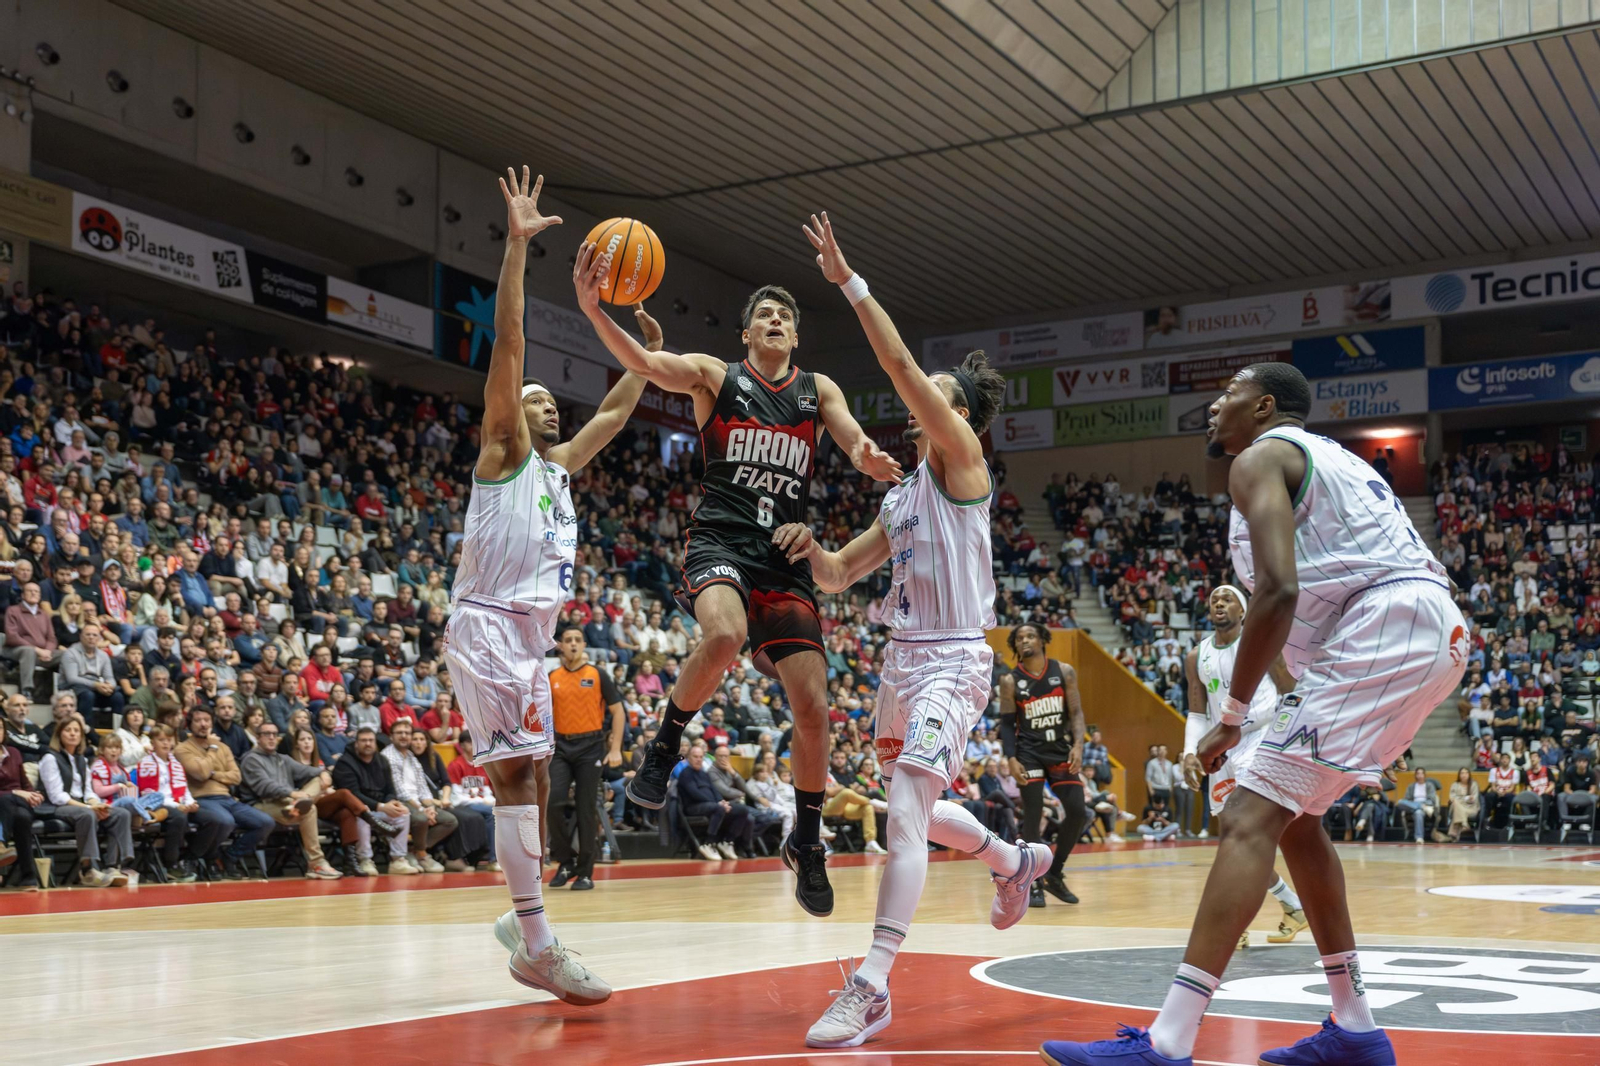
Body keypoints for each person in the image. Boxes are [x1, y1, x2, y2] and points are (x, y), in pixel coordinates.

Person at [1042, 362, 1468, 1065]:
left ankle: (1168, 1042)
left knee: (1245, 815)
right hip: (1425, 632)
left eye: (1229, 394)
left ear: (1265, 406)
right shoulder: (1329, 460)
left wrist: (1233, 714)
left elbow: (1276, 593)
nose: (1215, 406)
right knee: (1296, 824)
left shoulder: (1260, 456)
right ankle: (1355, 1026)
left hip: (1388, 627)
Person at [583, 211, 902, 921]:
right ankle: (663, 747)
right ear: (747, 335)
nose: (777, 320)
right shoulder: (713, 378)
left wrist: (867, 458)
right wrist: (593, 311)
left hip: (784, 558)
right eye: (765, 315)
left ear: (796, 334)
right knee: (723, 637)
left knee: (814, 704)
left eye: (786, 315)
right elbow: (644, 364)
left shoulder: (816, 391)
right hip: (722, 539)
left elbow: (850, 439)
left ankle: (808, 840)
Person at [776, 213, 1047, 1049]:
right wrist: (803, 546)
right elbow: (836, 575)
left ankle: (873, 983)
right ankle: (1012, 859)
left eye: (934, 392)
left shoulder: (964, 460)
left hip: (956, 661)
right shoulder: (902, 499)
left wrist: (847, 283)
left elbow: (893, 363)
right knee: (921, 815)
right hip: (901, 664)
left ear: (957, 413)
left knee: (903, 806)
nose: (914, 399)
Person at [440, 166, 653, 1006]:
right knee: (520, 778)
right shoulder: (501, 452)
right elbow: (512, 343)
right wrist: (518, 248)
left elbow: (621, 406)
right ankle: (535, 940)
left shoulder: (560, 470)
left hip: (527, 640)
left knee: (528, 779)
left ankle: (524, 925)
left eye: (550, 403)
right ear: (508, 413)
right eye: (534, 401)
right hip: (489, 625)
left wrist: (644, 350)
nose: (548, 405)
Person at [1181, 585, 1307, 949]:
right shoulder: (1196, 656)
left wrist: (1291, 737)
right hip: (1222, 745)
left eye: (1227, 599)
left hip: (1261, 737)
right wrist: (1190, 751)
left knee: (1247, 831)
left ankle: (1235, 922)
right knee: (1232, 837)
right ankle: (1292, 906)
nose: (1219, 604)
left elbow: (1289, 689)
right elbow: (1195, 711)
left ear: (1244, 610)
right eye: (1213, 601)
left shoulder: (1261, 641)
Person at [999, 622, 1092, 908]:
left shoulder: (1063, 671)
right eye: (1019, 638)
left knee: (1078, 811)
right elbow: (1005, 724)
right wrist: (1011, 758)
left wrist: (1078, 745)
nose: (1024, 641)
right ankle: (1032, 882)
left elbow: (1076, 712)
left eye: (1030, 636)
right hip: (1029, 754)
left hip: (1060, 750)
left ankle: (1054, 872)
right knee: (1033, 815)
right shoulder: (1010, 681)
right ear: (1015, 646)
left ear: (1042, 640)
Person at [547, 626, 625, 891]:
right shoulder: (551, 677)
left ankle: (585, 872)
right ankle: (565, 861)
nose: (572, 644)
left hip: (591, 747)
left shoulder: (597, 674)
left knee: (586, 809)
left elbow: (618, 712)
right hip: (560, 746)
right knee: (552, 802)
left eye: (577, 640)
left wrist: (615, 749)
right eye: (567, 640)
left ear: (583, 646)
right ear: (560, 646)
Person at [239, 721, 344, 879]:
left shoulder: (282, 758)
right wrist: (293, 794)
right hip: (261, 804)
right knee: (310, 809)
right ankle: (316, 863)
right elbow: (265, 787)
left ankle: (296, 807)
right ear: (257, 737)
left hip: (286, 803)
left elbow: (307, 770)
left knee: (317, 782)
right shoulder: (251, 759)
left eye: (274, 734)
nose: (272, 738)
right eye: (267, 734)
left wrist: (323, 773)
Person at [38, 714, 134, 887]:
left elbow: (89, 791)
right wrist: (89, 807)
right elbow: (57, 796)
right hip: (56, 807)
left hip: (81, 805)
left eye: (76, 730)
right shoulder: (50, 758)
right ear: (59, 734)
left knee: (121, 814)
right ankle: (88, 869)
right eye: (68, 730)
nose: (73, 734)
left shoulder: (82, 760)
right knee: (87, 814)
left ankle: (113, 866)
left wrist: (96, 804)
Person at [330, 728, 416, 875]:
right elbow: (353, 795)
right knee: (362, 814)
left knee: (403, 813)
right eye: (363, 741)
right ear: (356, 743)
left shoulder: (382, 761)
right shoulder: (345, 763)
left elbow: (390, 789)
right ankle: (365, 860)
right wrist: (381, 807)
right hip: (356, 809)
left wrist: (392, 803)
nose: (368, 744)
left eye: (371, 740)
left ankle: (398, 860)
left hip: (380, 808)